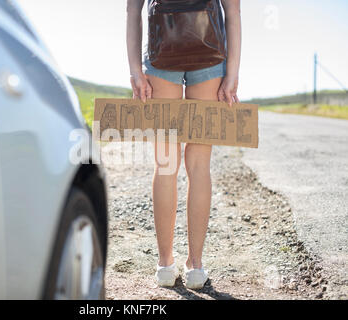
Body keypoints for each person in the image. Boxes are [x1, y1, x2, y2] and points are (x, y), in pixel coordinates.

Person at [126, 0, 241, 289]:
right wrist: (233, 73)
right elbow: (233, 11)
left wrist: (135, 71)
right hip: (210, 56)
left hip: (160, 54)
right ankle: (195, 267)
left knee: (165, 162)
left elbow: (132, 10)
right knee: (199, 165)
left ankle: (165, 265)